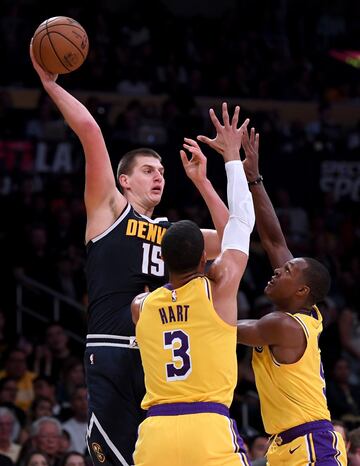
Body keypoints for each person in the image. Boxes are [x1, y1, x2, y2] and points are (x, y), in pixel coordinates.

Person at [29, 46, 230, 466]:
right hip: (114, 349)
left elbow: (234, 242)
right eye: (147, 170)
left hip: (162, 359)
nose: (158, 175)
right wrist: (51, 85)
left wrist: (203, 182)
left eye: (162, 171)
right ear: (123, 180)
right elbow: (90, 131)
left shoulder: (175, 234)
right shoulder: (108, 210)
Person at [199, 120, 348, 465]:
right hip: (287, 444)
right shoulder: (305, 312)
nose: (278, 270)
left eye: (287, 272)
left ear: (301, 290)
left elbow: (222, 327)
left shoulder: (282, 324)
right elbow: (274, 240)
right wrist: (254, 177)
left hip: (311, 445)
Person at [131, 105, 254, 465]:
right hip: (207, 427)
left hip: (154, 435)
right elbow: (238, 225)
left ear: (163, 261)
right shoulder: (219, 290)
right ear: (205, 258)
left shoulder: (140, 305)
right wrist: (230, 157)